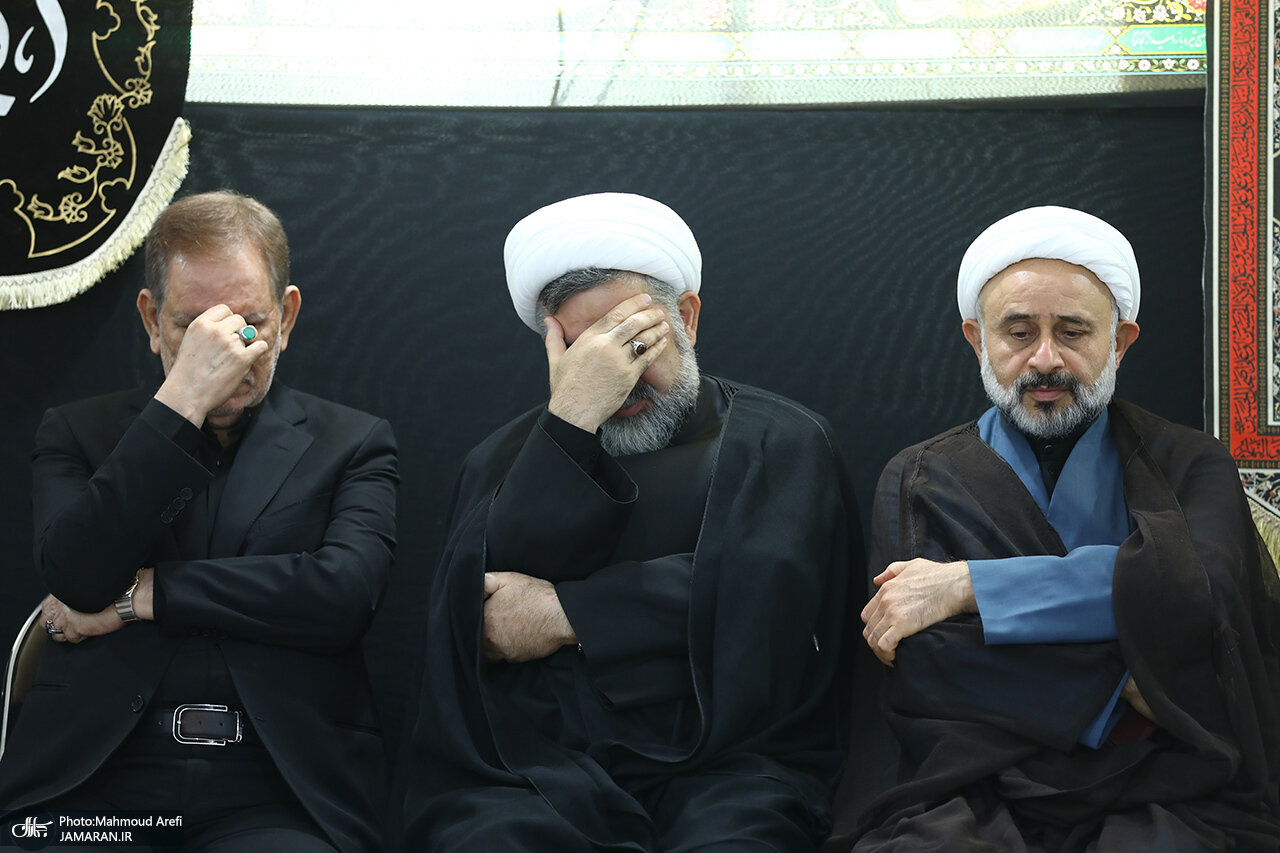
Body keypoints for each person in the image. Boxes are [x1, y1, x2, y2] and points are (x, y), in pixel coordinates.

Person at [400, 192, 861, 851]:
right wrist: (569, 423)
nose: (617, 376)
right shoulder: (501, 459)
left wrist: (566, 614)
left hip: (730, 763)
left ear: (687, 318)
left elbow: (771, 594)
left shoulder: (778, 440)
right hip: (540, 769)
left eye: (632, 341)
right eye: (585, 352)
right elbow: (479, 620)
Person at [825, 206, 1280, 851]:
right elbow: (925, 658)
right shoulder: (921, 477)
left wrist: (970, 587)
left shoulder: (1189, 463)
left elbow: (1197, 593)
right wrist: (1122, 681)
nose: (1045, 359)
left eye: (1073, 332)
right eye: (1017, 332)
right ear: (977, 340)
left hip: (1170, 769)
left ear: (1119, 342)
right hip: (974, 774)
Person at [0, 190, 398, 852]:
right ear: (151, 320)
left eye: (249, 323)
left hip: (276, 789)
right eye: (193, 326)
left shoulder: (353, 442)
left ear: (287, 316)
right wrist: (182, 399)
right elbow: (76, 576)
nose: (226, 351)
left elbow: (343, 594)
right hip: (95, 785)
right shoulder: (77, 431)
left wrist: (145, 595)